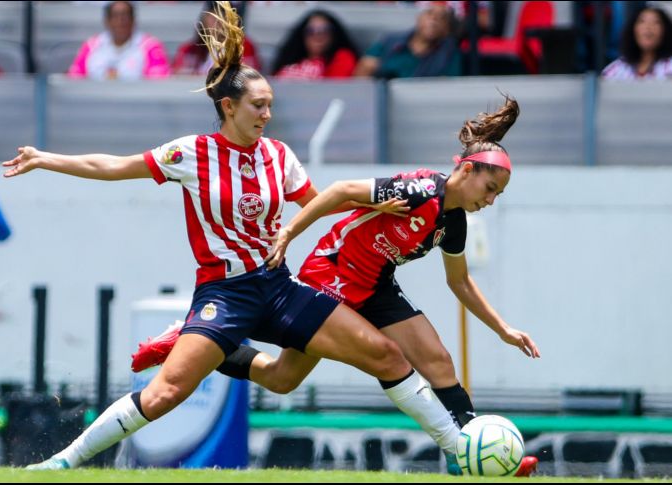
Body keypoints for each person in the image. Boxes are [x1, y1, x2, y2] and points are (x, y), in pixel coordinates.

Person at [5, 2, 463, 474]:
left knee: (376, 357)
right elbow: (114, 166)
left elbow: (313, 201)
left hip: (280, 287)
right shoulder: (191, 152)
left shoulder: (278, 155)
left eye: (270, 105)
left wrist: (374, 205)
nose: (267, 113)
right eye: (258, 105)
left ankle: (458, 446)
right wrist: (46, 157)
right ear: (229, 106)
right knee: (165, 393)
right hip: (225, 294)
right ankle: (62, 463)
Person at [132, 95, 541, 477]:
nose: (490, 200)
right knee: (284, 378)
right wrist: (290, 231)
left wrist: (503, 329)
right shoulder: (419, 190)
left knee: (434, 360)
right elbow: (341, 191)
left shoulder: (454, 224)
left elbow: (460, 282)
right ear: (467, 170)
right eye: (490, 190)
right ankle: (198, 338)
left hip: (376, 286)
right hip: (332, 275)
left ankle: (465, 455)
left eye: (497, 195)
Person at [354, 2, 462, 79]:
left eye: (442, 18)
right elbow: (366, 65)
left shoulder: (449, 52)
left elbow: (448, 85)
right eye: (430, 14)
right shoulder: (390, 41)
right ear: (418, 18)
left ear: (447, 29)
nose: (434, 21)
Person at [67, 1, 170, 80]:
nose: (120, 21)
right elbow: (74, 79)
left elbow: (158, 84)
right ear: (106, 21)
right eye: (115, 16)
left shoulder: (151, 45)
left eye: (125, 16)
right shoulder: (91, 45)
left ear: (134, 20)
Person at [172, 0, 261, 75]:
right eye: (214, 15)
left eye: (225, 15)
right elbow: (178, 78)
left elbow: (250, 79)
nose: (219, 21)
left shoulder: (246, 47)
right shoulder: (189, 49)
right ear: (204, 18)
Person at [270, 9, 359, 79]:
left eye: (325, 31)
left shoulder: (342, 57)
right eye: (311, 31)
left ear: (334, 35)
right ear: (302, 36)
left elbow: (333, 91)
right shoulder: (289, 59)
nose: (318, 36)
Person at [601, 6, 672, 80]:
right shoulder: (618, 68)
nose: (648, 27)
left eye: (656, 22)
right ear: (633, 30)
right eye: (642, 21)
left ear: (665, 31)